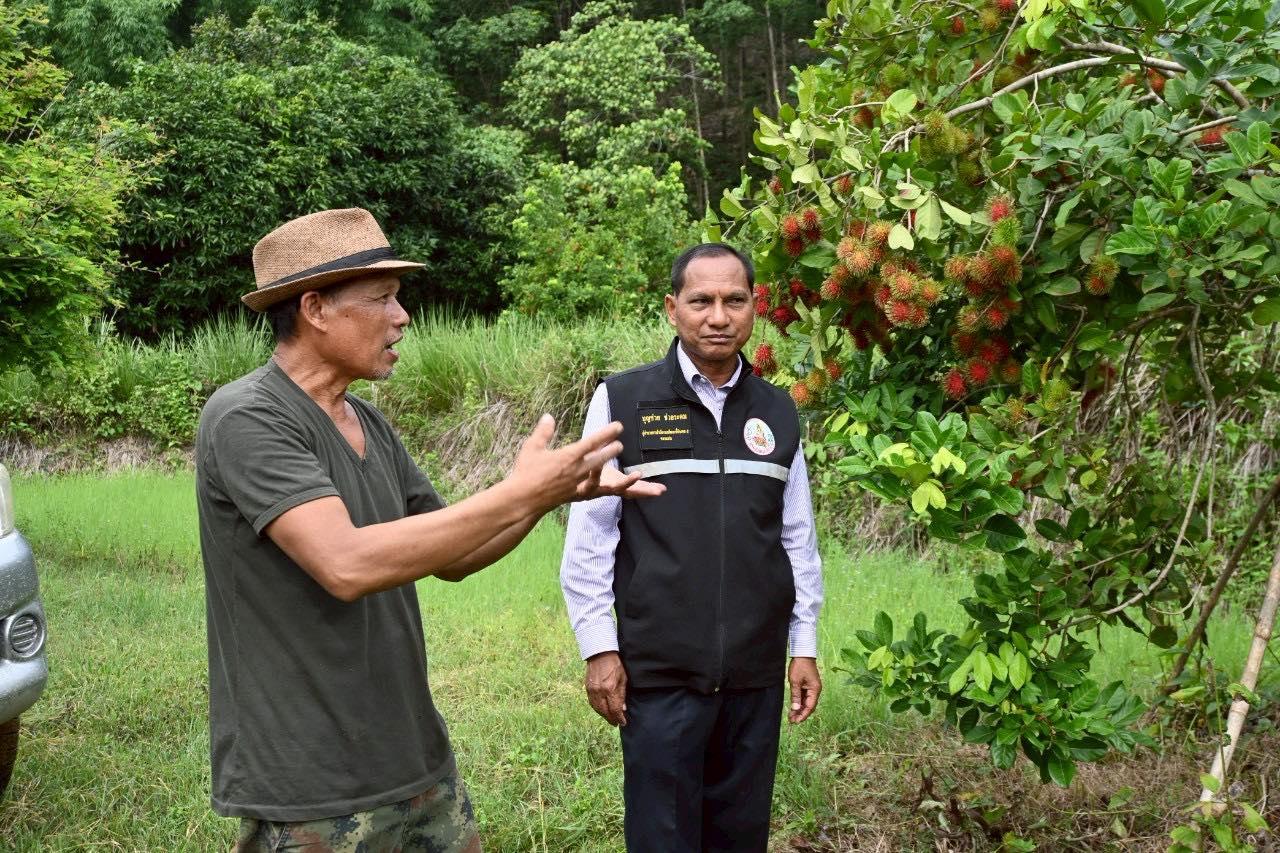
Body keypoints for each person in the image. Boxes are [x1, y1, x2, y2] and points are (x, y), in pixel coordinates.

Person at [195, 208, 660, 852]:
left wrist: (543, 500)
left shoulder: (368, 424)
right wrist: (517, 492)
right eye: (382, 298)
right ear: (315, 308)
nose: (402, 316)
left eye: (399, 298)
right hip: (312, 783)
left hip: (415, 760)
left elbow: (455, 555)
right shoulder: (247, 418)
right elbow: (346, 564)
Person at [559, 243, 824, 852]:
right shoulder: (623, 401)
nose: (718, 316)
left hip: (754, 677)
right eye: (701, 301)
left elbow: (797, 539)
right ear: (671, 307)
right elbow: (591, 536)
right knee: (663, 837)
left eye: (735, 300)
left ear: (755, 308)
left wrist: (802, 646)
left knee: (740, 835)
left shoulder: (777, 412)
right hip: (660, 677)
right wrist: (599, 648)